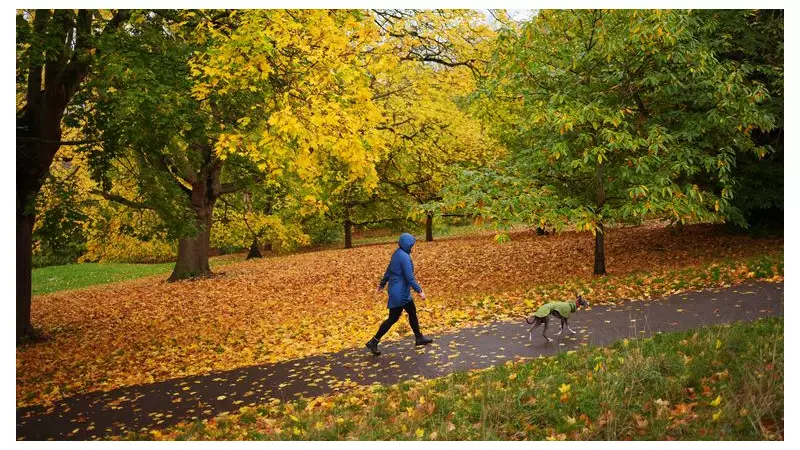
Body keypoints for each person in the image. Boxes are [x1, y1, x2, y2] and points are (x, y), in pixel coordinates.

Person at [365, 233, 433, 355]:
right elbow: (409, 278)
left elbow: (388, 271)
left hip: (398, 291)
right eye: (411, 245)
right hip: (400, 294)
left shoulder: (397, 253)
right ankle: (373, 342)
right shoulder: (404, 257)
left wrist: (382, 285)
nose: (412, 247)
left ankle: (419, 337)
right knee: (393, 318)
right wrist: (420, 291)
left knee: (412, 312)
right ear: (407, 245)